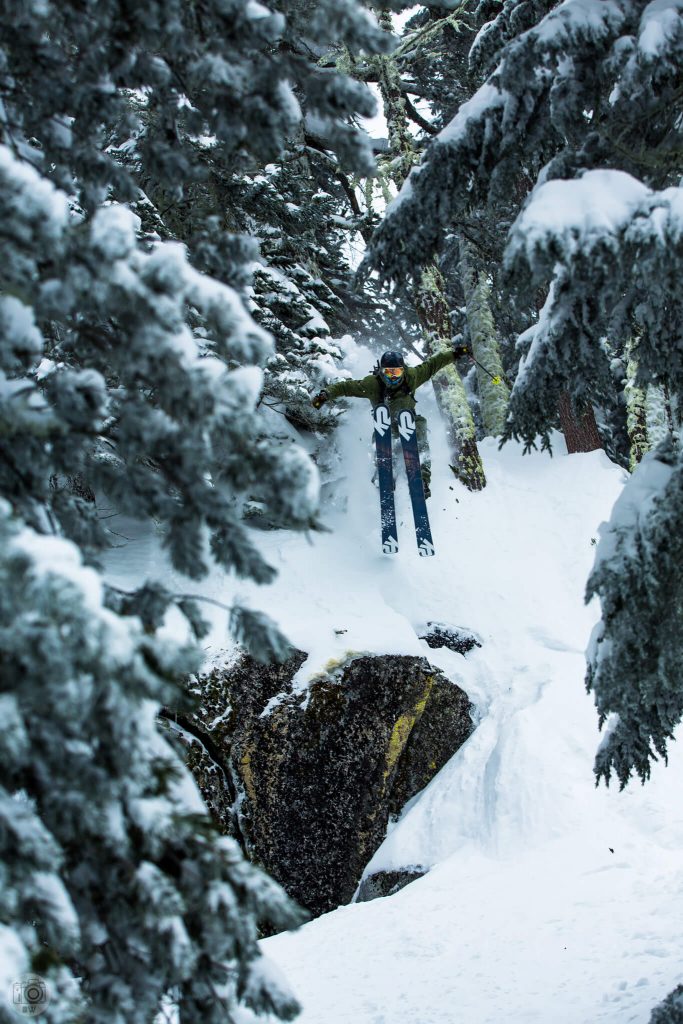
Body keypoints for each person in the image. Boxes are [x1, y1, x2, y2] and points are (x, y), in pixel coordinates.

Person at [312, 345, 470, 497]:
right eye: (388, 372)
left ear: (403, 370)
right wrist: (326, 395)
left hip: (410, 420)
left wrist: (455, 354)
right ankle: (385, 472)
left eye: (397, 372)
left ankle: (422, 478)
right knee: (381, 436)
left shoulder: (412, 376)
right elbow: (346, 387)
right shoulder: (372, 384)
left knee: (420, 431)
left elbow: (433, 364)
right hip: (386, 424)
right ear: (382, 372)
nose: (393, 377)